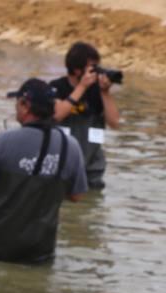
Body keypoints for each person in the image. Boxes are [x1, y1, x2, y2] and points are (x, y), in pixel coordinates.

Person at [0, 79, 87, 264]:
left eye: (17, 103)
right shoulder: (70, 146)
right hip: (39, 252)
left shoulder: (4, 140)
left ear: (25, 106)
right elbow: (77, 196)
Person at [49, 41, 120, 190]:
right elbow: (58, 115)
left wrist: (105, 92)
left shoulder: (98, 91)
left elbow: (114, 122)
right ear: (76, 70)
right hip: (60, 166)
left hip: (91, 169)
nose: (96, 72)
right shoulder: (57, 87)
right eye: (92, 68)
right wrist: (82, 86)